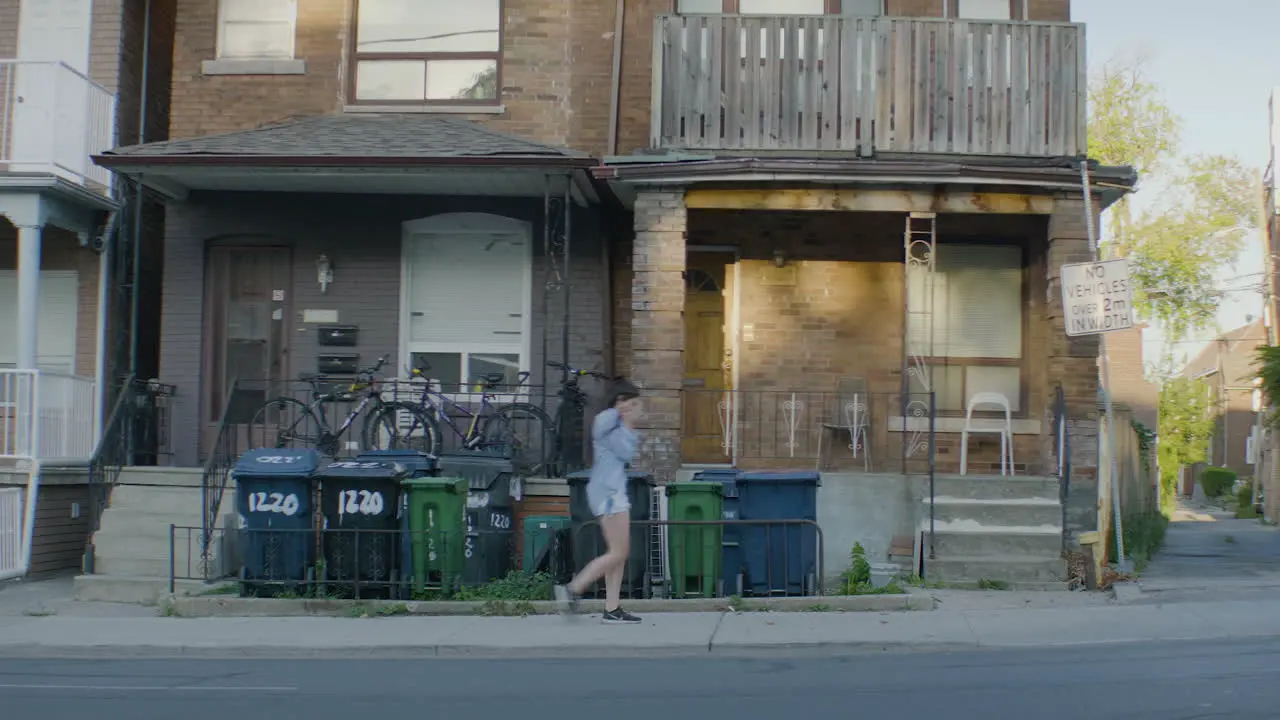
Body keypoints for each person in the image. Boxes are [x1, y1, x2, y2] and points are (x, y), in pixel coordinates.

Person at [555, 380, 643, 624]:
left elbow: (625, 452)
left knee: (618, 554)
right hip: (608, 494)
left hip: (613, 492)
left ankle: (612, 608)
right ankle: (574, 589)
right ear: (619, 400)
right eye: (632, 401)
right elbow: (600, 429)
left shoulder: (623, 427)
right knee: (619, 551)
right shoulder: (608, 420)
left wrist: (627, 421)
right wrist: (622, 412)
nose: (637, 407)